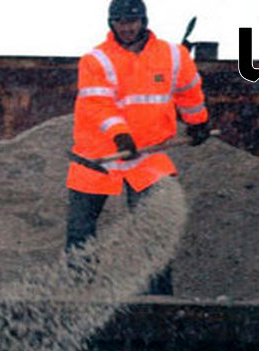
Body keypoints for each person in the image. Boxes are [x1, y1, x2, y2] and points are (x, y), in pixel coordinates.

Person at [66, 0, 211, 294]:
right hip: (97, 154)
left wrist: (198, 122)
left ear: (143, 21)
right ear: (111, 24)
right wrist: (120, 135)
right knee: (80, 232)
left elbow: (189, 91)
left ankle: (159, 299)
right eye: (120, 22)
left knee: (153, 228)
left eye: (132, 22)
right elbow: (98, 103)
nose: (127, 28)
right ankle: (77, 293)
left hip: (148, 155)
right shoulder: (96, 60)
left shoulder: (173, 56)